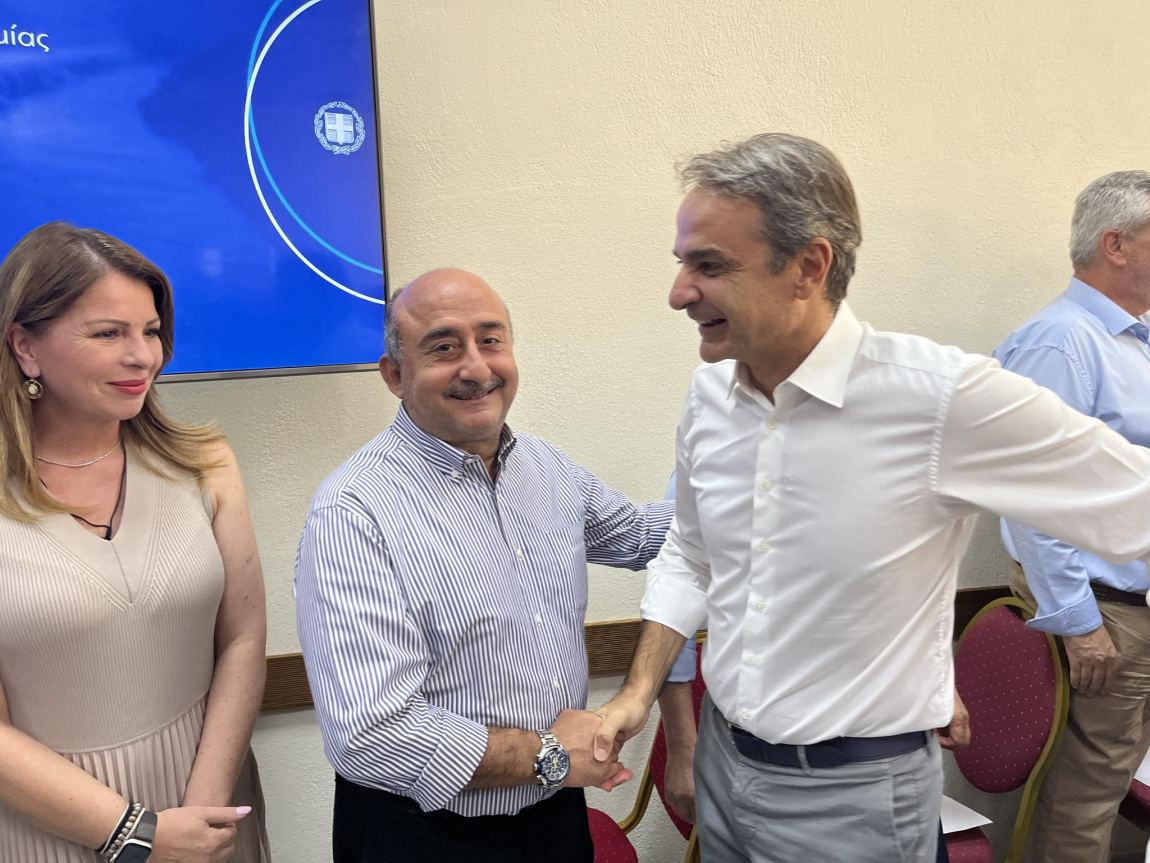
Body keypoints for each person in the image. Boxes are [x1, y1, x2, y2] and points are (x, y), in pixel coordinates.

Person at [592, 133, 1150, 863]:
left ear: (809, 266)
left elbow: (1134, 505)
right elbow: (690, 556)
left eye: (710, 265)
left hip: (853, 796)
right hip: (725, 768)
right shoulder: (709, 398)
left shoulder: (938, 399)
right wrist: (637, 690)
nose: (679, 292)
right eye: (683, 263)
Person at [294, 268, 693, 863]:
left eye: (491, 340)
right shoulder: (353, 512)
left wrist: (760, 470)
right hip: (423, 837)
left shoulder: (546, 469)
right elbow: (371, 735)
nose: (477, 367)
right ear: (395, 375)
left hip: (553, 814)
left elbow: (647, 537)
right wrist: (548, 754)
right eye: (444, 347)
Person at [0, 222, 270, 863]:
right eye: (108, 334)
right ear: (25, 347)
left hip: (206, 809)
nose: (143, 357)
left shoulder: (204, 462)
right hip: (48, 824)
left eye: (150, 331)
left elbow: (243, 638)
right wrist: (137, 835)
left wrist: (200, 816)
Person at [994, 170, 1150, 863]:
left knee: (1108, 783)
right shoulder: (1061, 342)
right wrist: (1079, 623)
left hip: (1130, 601)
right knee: (1086, 799)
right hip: (1105, 609)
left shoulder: (1133, 339)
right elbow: (1032, 495)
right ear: (1116, 245)